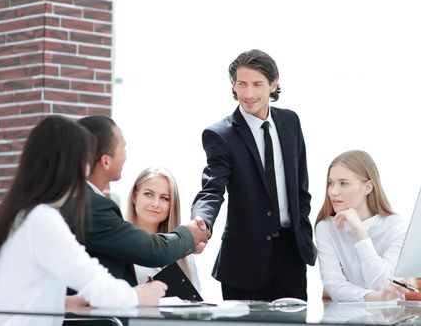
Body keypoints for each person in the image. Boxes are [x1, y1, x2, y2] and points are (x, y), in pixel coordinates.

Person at [0, 115, 167, 326]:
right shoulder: (42, 220)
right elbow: (94, 281)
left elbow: (9, 294)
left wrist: (64, 303)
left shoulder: (10, 216)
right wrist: (137, 296)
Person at [191, 49, 316, 301]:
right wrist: (201, 221)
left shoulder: (291, 122)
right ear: (233, 86)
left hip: (291, 255)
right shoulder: (220, 135)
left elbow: (301, 186)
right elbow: (212, 188)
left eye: (257, 84)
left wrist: (303, 231)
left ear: (273, 84)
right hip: (244, 261)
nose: (248, 93)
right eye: (241, 84)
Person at [62, 115, 209, 288]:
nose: (125, 157)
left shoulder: (72, 197)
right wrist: (190, 234)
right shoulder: (91, 205)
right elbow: (153, 251)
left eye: (164, 198)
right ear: (106, 161)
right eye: (123, 149)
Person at [315, 150, 408, 301]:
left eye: (343, 183)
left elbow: (384, 283)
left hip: (390, 319)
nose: (333, 191)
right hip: (345, 319)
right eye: (330, 183)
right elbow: (335, 286)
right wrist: (377, 297)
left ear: (368, 187)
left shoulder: (396, 227)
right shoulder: (326, 227)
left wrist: (361, 232)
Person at [126, 167, 201, 291]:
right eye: (148, 194)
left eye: (164, 198)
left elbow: (197, 302)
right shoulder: (119, 245)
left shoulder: (184, 252)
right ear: (134, 197)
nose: (155, 204)